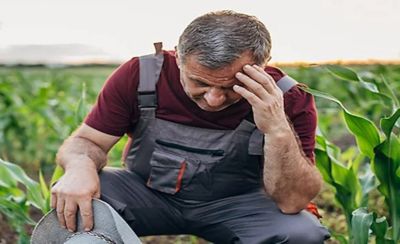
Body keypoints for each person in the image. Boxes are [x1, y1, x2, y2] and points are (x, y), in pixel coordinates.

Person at [51, 10, 330, 243]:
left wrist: (277, 128)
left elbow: (292, 201)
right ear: (178, 58)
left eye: (232, 86)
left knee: (301, 235)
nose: (214, 99)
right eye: (200, 82)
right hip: (147, 193)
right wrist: (78, 168)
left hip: (238, 204)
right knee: (73, 201)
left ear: (263, 66)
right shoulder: (141, 75)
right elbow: (89, 142)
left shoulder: (288, 97)